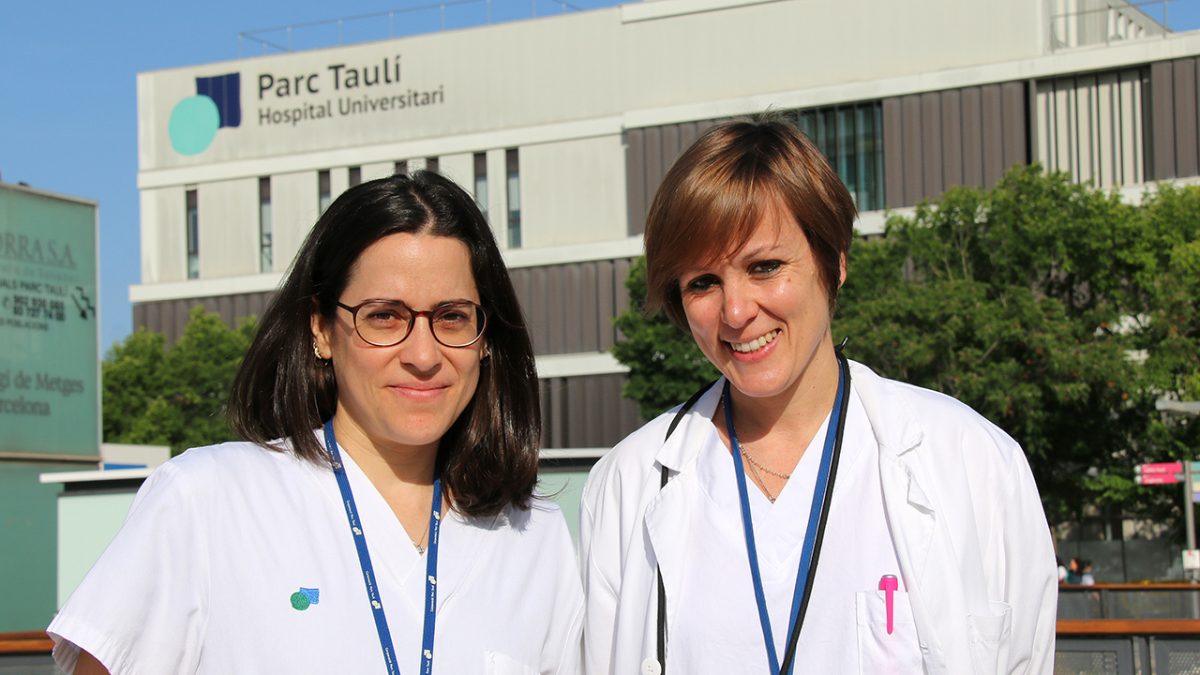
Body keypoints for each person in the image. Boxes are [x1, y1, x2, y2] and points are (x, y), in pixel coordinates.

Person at [49, 172, 583, 674]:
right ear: (321, 330)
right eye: (384, 316)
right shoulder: (209, 499)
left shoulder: (533, 533)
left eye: (451, 317)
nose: (424, 354)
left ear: (485, 337)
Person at [579, 118, 1057, 674]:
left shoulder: (974, 462)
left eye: (765, 267)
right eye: (703, 282)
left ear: (835, 264)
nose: (736, 312)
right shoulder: (625, 485)